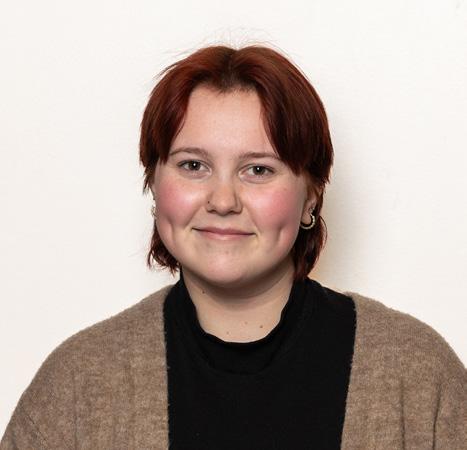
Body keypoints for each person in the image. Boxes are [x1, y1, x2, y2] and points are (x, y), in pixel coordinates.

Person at [1, 44, 466, 450]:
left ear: (312, 195)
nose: (223, 201)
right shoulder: (77, 385)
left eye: (258, 170)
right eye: (193, 165)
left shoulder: (417, 375)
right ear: (154, 183)